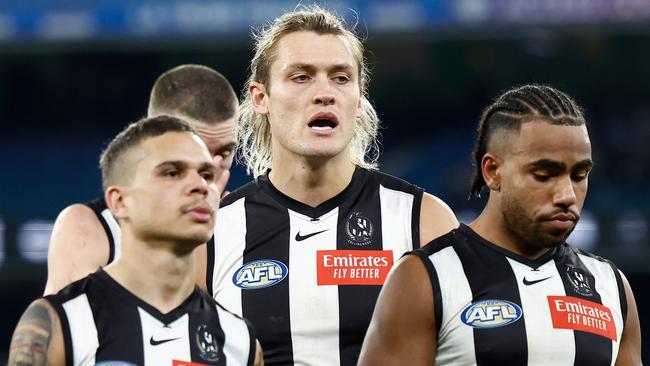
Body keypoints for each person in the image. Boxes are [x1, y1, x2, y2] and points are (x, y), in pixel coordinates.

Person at [206, 5, 458, 366]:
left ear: (359, 99)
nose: (325, 93)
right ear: (261, 97)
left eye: (340, 78)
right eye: (302, 77)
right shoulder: (212, 233)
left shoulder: (424, 221)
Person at [358, 85, 642, 365]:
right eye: (545, 175)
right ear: (492, 172)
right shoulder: (424, 278)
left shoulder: (611, 286)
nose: (567, 195)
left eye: (579, 175)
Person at [9, 116, 263, 366]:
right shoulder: (59, 322)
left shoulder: (239, 340)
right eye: (173, 173)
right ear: (119, 202)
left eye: (206, 175)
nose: (200, 185)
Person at [44, 64, 238, 295]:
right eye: (195, 149)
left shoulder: (247, 224)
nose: (210, 168)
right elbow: (74, 325)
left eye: (225, 153)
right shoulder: (90, 228)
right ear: (152, 134)